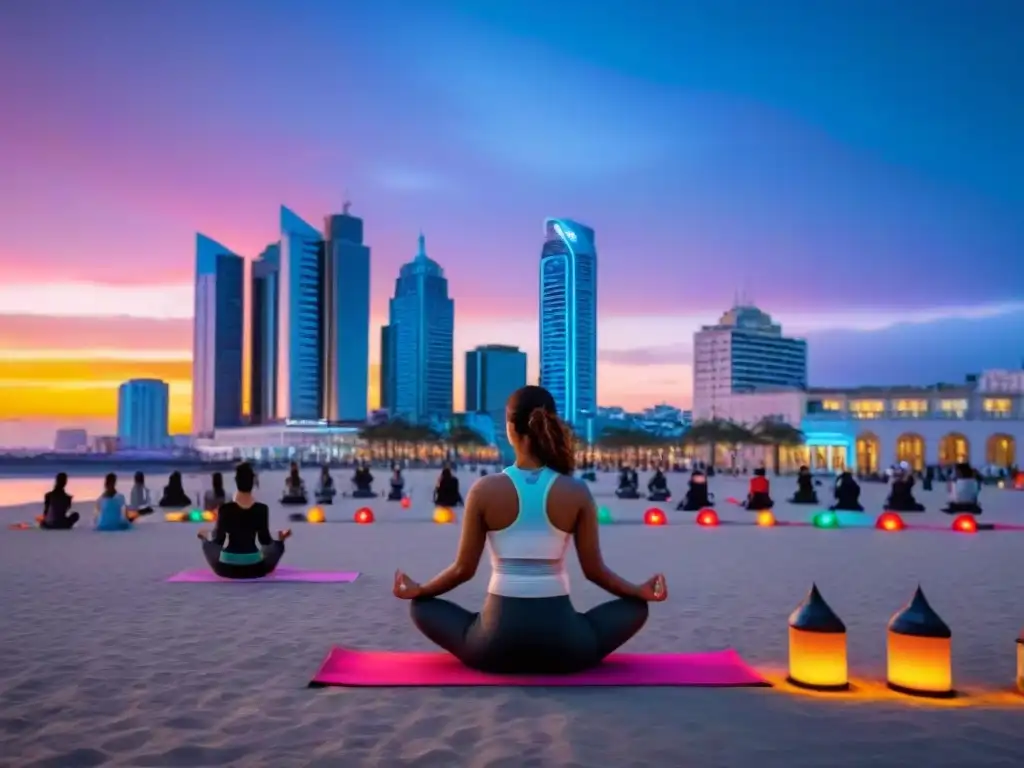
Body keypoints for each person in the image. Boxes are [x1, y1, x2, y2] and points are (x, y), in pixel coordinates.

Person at [395, 385, 664, 675]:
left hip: (493, 647)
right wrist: (638, 591)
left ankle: (480, 625)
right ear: (552, 425)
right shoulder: (576, 491)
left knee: (421, 607)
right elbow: (594, 571)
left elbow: (463, 570)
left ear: (510, 428)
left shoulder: (484, 490)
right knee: (637, 609)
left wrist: (421, 590)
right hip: (565, 648)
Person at [198, 462, 291, 579]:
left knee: (208, 546)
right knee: (277, 547)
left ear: (236, 481)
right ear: (253, 482)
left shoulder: (225, 509)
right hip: (254, 567)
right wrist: (280, 539)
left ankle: (203, 539)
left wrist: (205, 537)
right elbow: (265, 541)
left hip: (227, 567)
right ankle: (281, 540)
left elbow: (219, 540)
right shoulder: (262, 509)